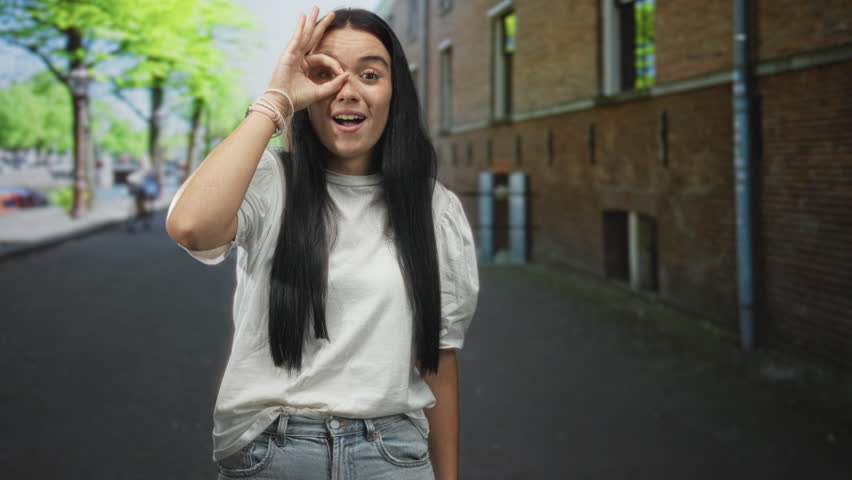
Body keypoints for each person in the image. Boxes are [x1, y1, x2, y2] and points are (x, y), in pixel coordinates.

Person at [166, 7, 478, 480]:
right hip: (274, 452)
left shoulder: (434, 209)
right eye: (324, 73)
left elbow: (438, 358)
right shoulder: (269, 181)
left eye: (370, 74)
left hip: (391, 454)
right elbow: (191, 225)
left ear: (396, 93)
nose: (346, 91)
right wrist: (277, 99)